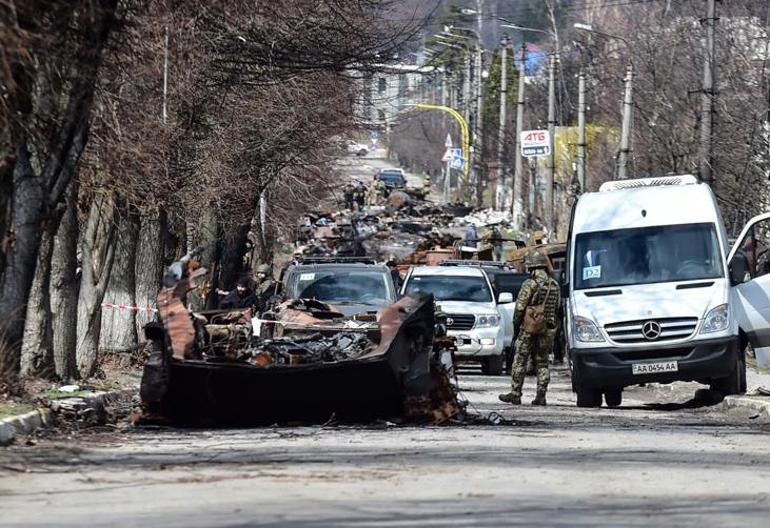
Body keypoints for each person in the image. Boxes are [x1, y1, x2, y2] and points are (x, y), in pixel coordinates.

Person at [499, 251, 560, 406]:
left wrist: (516, 324)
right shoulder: (554, 284)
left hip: (529, 328)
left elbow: (520, 307)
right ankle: (541, 396)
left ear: (531, 266)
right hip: (547, 328)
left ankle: (515, 393)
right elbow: (557, 307)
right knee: (542, 362)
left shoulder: (530, 284)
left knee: (520, 359)